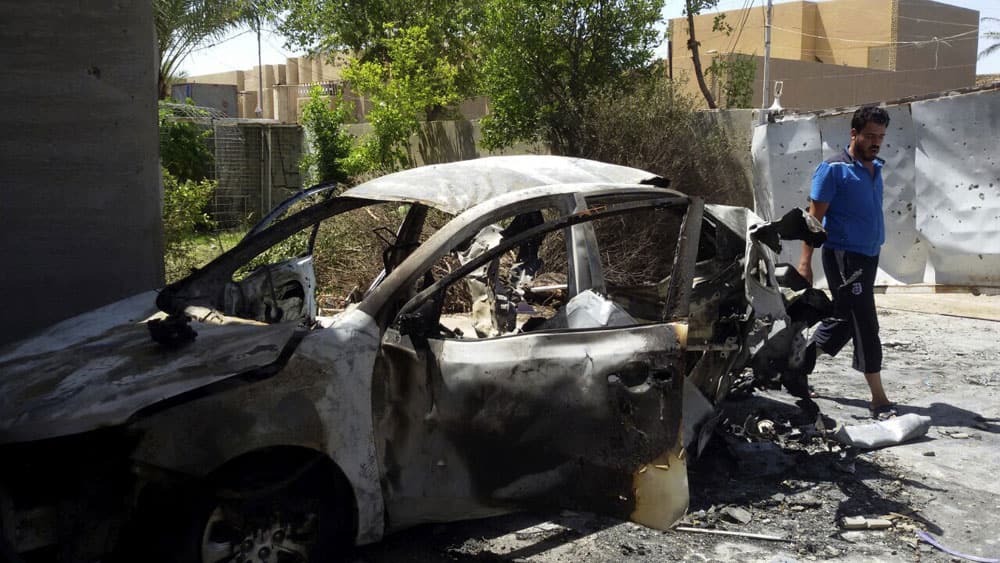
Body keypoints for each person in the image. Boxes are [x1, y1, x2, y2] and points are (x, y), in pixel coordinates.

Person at [797, 105, 895, 419]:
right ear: (853, 133)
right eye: (870, 136)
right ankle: (879, 401)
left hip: (868, 256)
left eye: (880, 136)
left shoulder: (875, 167)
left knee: (843, 321)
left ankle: (795, 365)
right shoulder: (833, 169)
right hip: (843, 256)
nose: (876, 141)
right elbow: (813, 220)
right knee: (865, 323)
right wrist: (805, 263)